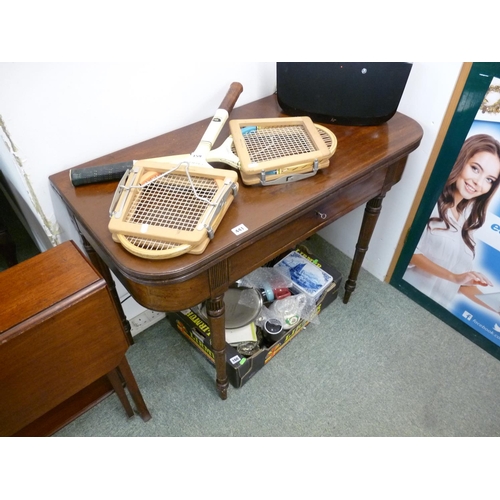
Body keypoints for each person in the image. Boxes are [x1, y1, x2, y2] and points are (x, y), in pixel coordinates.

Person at [404, 134, 500, 309]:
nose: (478, 182)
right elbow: (408, 253)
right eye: (475, 168)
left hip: (434, 313)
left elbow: (461, 283)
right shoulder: (430, 201)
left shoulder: (466, 226)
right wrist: (453, 277)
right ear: (461, 160)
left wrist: (496, 307)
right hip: (405, 298)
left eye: (489, 180)